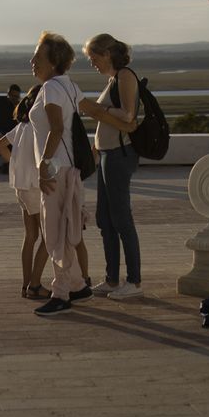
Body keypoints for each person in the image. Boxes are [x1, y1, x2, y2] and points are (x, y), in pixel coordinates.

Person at [79, 34, 143, 299]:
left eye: (93, 57)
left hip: (119, 154)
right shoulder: (112, 80)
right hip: (107, 154)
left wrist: (94, 110)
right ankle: (112, 279)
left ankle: (134, 281)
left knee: (121, 219)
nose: (92, 62)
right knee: (105, 219)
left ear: (107, 53)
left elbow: (128, 116)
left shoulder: (125, 76)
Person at [30, 31, 90, 318]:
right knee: (66, 229)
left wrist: (44, 165)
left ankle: (61, 293)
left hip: (56, 170)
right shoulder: (70, 86)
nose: (32, 61)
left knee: (54, 233)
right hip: (69, 169)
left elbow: (55, 128)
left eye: (38, 57)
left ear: (53, 62)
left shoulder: (52, 88)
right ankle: (77, 284)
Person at [0, 86, 47, 299]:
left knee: (30, 236)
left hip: (20, 186)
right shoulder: (39, 127)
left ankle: (26, 284)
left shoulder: (22, 126)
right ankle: (35, 285)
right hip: (35, 187)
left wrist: (14, 164)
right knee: (48, 238)